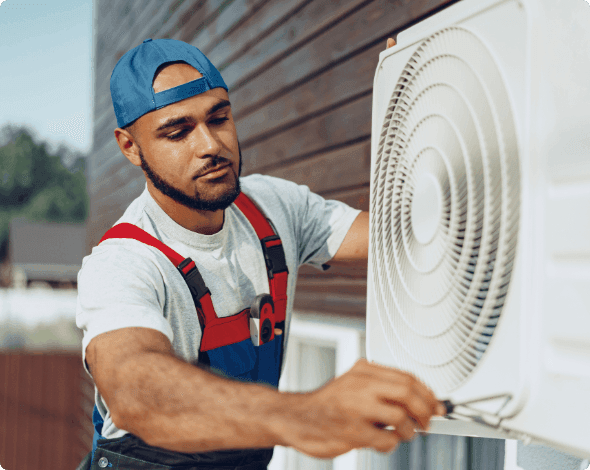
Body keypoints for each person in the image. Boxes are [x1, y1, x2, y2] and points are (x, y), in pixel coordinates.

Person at [76, 36, 445, 470]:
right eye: (178, 132)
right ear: (130, 147)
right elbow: (136, 392)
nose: (210, 145)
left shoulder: (273, 208)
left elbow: (405, 231)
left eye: (219, 119)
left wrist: (416, 90)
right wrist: (304, 416)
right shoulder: (123, 261)